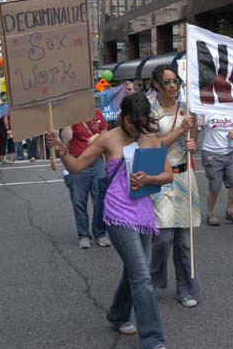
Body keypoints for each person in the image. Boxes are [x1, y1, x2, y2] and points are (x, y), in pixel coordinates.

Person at [47, 93, 172, 349]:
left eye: (140, 122)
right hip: (117, 214)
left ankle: (117, 314)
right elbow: (77, 166)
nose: (135, 128)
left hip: (144, 215)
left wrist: (149, 179)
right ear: (122, 116)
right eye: (130, 121)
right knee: (142, 277)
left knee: (134, 271)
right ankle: (153, 340)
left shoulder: (151, 138)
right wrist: (61, 150)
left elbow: (167, 174)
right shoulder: (107, 138)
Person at [147, 66, 201, 308]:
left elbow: (194, 142)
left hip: (184, 177)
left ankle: (186, 288)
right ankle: (151, 279)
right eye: (166, 82)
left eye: (175, 81)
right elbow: (153, 145)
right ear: (156, 85)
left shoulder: (187, 110)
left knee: (184, 240)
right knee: (162, 237)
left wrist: (192, 144)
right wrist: (180, 131)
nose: (172, 86)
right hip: (160, 177)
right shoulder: (150, 112)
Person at [60, 108, 111, 249]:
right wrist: (68, 122)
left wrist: (98, 137)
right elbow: (66, 138)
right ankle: (83, 235)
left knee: (100, 199)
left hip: (97, 161)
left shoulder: (97, 113)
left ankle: (100, 233)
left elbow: (106, 132)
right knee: (79, 201)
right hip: (77, 161)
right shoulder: (72, 114)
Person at [200, 114, 233, 226]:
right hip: (211, 153)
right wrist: (198, 123)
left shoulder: (231, 110)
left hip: (229, 152)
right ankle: (210, 214)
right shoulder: (207, 109)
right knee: (215, 186)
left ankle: (230, 211)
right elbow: (198, 125)